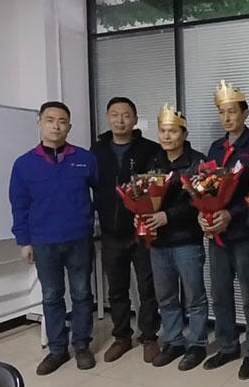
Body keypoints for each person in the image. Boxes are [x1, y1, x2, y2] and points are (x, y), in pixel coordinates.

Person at [9, 101, 98, 375]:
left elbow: (102, 195)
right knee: (51, 296)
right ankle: (58, 349)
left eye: (62, 121)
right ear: (39, 123)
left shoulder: (85, 158)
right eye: (50, 120)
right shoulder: (24, 164)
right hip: (43, 241)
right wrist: (24, 241)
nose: (56, 126)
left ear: (69, 127)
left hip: (80, 239)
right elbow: (19, 205)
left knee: (82, 294)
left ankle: (82, 345)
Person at [199, 81, 249, 379]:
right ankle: (227, 345)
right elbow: (206, 187)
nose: (227, 118)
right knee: (220, 292)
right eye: (222, 112)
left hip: (244, 233)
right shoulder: (216, 147)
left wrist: (232, 213)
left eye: (232, 112)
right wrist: (204, 214)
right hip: (217, 233)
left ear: (245, 113)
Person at [91, 97, 161, 363]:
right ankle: (122, 337)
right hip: (110, 232)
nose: (120, 120)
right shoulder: (97, 150)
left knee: (147, 287)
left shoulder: (149, 149)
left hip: (141, 232)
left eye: (126, 115)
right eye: (114, 115)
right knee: (116, 289)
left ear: (135, 119)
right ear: (107, 117)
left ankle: (149, 337)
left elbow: (158, 188)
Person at [142, 104, 209, 371]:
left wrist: (167, 216)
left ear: (184, 134)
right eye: (163, 131)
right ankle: (173, 341)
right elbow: (144, 196)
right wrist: (142, 216)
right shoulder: (154, 161)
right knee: (166, 297)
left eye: (172, 131)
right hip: (158, 241)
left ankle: (198, 344)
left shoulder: (198, 162)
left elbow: (200, 202)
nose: (167, 136)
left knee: (194, 297)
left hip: (187, 240)